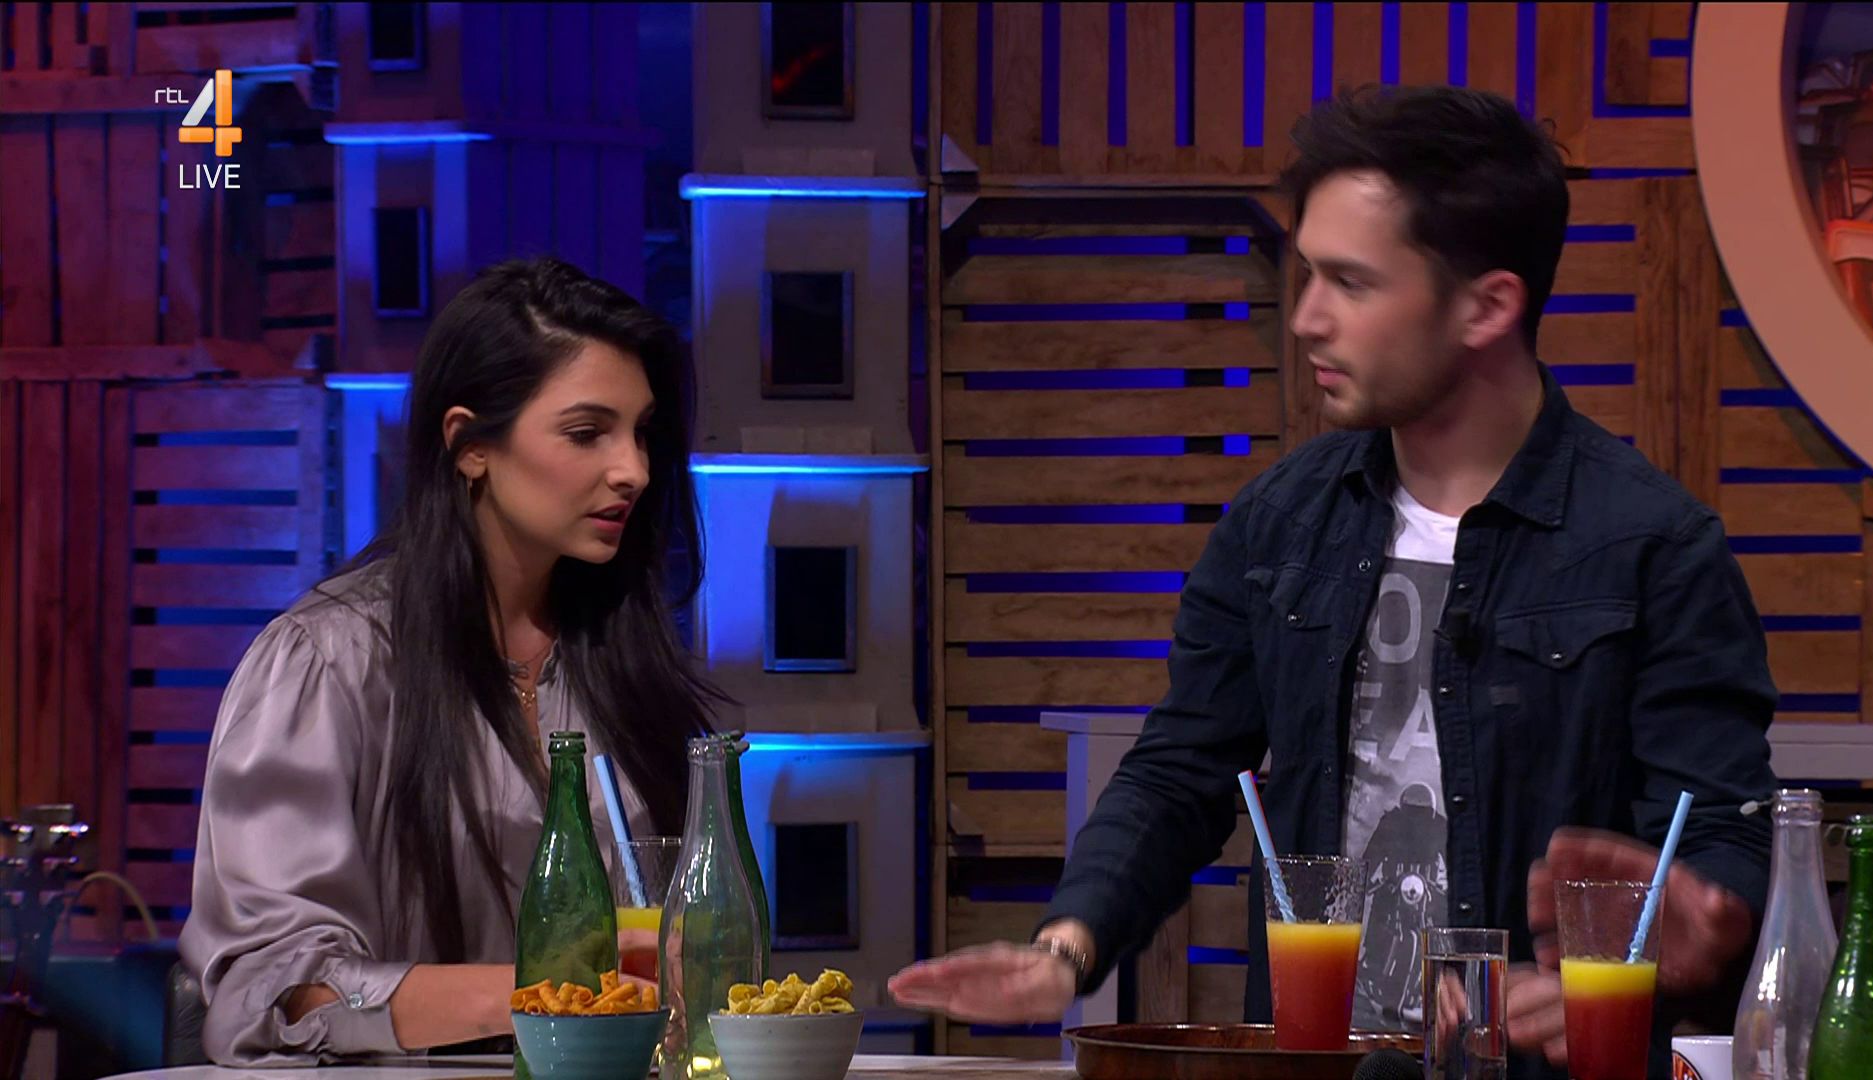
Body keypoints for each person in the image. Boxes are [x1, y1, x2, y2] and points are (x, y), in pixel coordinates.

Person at [889, 86, 1776, 1078]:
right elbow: (1180, 770)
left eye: (1350, 283)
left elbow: (1720, 837)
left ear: (1487, 306)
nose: (1307, 317)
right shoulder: (1281, 522)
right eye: (1308, 272)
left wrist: (1693, 930)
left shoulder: (1654, 546)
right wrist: (1068, 945)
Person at [179, 257, 719, 1063]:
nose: (633, 470)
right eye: (587, 433)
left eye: (642, 433)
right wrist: (553, 992)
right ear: (469, 445)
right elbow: (275, 995)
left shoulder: (619, 660)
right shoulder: (329, 661)